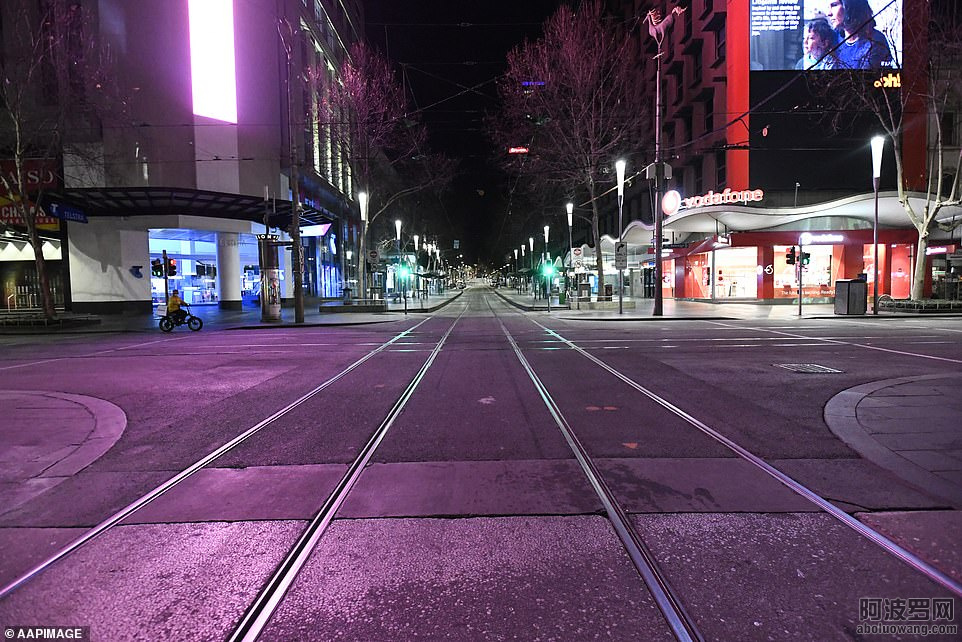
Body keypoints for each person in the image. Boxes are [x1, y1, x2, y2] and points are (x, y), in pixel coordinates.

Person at [826, 0, 893, 69]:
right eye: (828, 7)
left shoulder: (875, 41)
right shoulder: (834, 37)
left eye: (834, 5)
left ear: (851, 5)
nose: (829, 13)